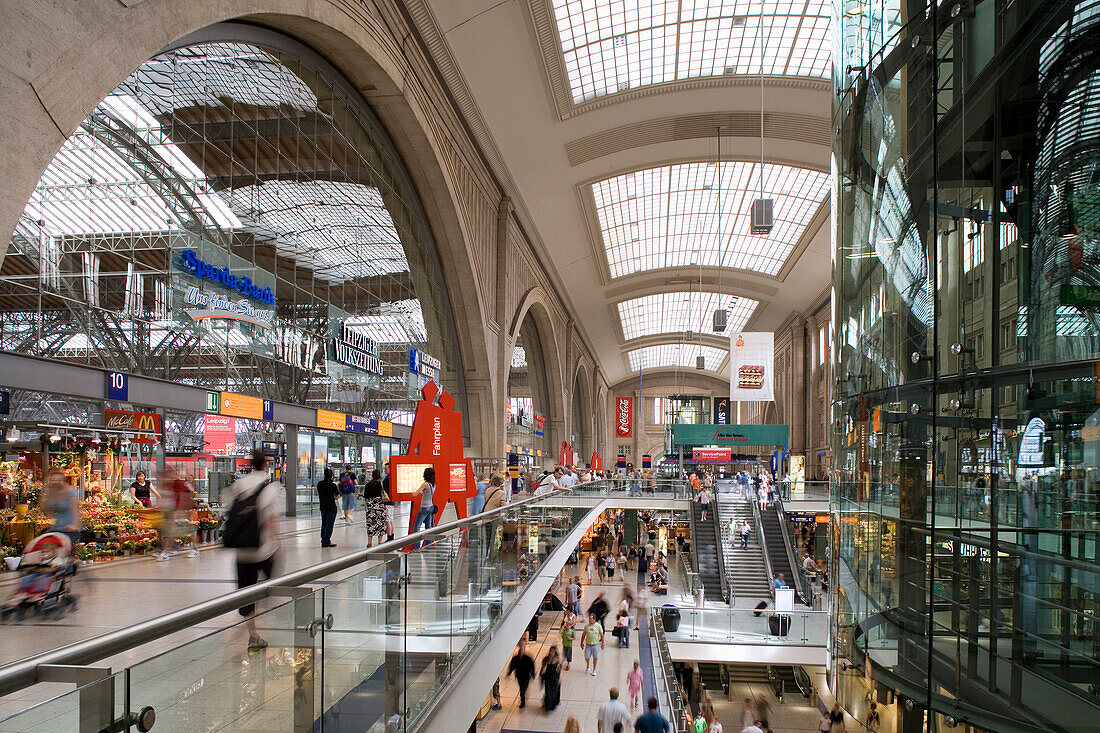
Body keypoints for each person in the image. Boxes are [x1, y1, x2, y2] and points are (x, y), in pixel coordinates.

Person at [226, 450, 282, 651]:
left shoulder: (239, 485)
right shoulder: (270, 487)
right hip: (263, 549)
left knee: (247, 593)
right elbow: (270, 520)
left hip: (242, 550)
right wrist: (278, 543)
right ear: (266, 465)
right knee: (271, 586)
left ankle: (253, 634)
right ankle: (270, 611)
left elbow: (230, 511)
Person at [158, 466, 198, 560]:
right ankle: (166, 551)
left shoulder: (178, 484)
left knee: (186, 530)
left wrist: (180, 511)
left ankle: (195, 549)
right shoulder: (166, 485)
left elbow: (184, 497)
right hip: (169, 511)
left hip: (178, 511)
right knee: (167, 531)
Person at [44, 469, 80, 546]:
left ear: (62, 480)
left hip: (68, 528)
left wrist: (75, 525)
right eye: (53, 480)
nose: (56, 483)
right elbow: (46, 509)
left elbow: (75, 509)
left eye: (58, 480)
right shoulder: (51, 492)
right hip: (56, 528)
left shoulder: (70, 491)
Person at [506, 638, 536, 708]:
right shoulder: (515, 658)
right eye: (521, 645)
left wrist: (533, 674)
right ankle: (523, 700)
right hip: (519, 676)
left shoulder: (528, 658)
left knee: (524, 688)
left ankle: (523, 696)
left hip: (526, 676)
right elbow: (512, 666)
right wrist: (509, 673)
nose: (522, 647)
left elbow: (532, 666)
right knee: (522, 688)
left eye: (523, 645)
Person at [362, 469, 388, 547]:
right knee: (381, 524)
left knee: (370, 524)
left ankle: (369, 542)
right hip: (380, 506)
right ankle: (379, 542)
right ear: (379, 476)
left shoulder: (368, 484)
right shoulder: (380, 484)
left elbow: (365, 496)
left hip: (371, 507)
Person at [412, 467, 437, 547]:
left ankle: (417, 547)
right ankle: (428, 545)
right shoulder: (433, 484)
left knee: (416, 527)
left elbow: (415, 494)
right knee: (428, 527)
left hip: (424, 508)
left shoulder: (425, 484)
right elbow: (428, 494)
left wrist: (414, 491)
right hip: (430, 507)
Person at [316, 468, 338, 548]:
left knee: (324, 523)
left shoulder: (320, 484)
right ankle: (326, 541)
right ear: (331, 475)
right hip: (331, 507)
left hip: (323, 506)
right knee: (329, 524)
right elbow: (337, 496)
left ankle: (323, 540)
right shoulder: (333, 485)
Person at [541, 645, 562, 711]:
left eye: (552, 652)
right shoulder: (546, 659)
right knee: (548, 691)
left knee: (553, 691)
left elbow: (560, 669)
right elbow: (543, 667)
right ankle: (548, 704)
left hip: (555, 677)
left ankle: (552, 705)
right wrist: (540, 674)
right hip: (548, 676)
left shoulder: (557, 660)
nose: (551, 653)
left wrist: (560, 678)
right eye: (550, 651)